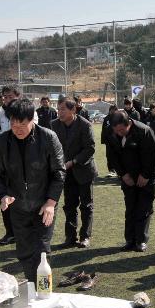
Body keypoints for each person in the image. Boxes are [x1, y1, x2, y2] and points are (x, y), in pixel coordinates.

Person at [0, 98, 65, 283]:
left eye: (22, 124)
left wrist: (50, 203)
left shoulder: (48, 138)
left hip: (43, 205)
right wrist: (3, 195)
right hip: (18, 207)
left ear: (32, 120)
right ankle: (34, 287)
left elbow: (59, 173)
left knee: (41, 251)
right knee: (24, 252)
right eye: (13, 124)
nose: (18, 128)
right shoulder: (3, 141)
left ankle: (43, 292)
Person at [0, 85, 38, 244]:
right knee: (5, 196)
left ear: (18, 96)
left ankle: (28, 232)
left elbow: (34, 131)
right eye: (5, 97)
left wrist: (16, 140)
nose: (7, 99)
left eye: (10, 96)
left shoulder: (29, 111)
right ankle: (10, 232)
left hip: (26, 160)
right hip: (5, 159)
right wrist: (5, 142)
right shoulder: (0, 112)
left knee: (26, 197)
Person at [106, 110, 155, 252]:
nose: (119, 133)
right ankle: (130, 240)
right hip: (127, 177)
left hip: (146, 176)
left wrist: (145, 175)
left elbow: (151, 156)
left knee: (143, 208)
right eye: (116, 131)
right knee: (130, 208)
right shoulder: (111, 133)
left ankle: (141, 240)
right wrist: (123, 175)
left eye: (122, 130)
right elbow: (112, 156)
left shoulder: (144, 131)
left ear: (128, 123)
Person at [51, 98, 96, 248]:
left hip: (83, 170)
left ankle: (85, 237)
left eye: (63, 109)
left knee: (86, 205)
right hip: (66, 172)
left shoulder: (85, 125)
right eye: (58, 109)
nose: (60, 112)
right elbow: (52, 148)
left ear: (73, 110)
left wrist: (73, 162)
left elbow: (89, 149)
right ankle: (70, 237)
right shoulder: (54, 125)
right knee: (69, 205)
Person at [101, 104, 119, 177]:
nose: (112, 111)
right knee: (109, 155)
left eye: (114, 110)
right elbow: (104, 130)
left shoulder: (118, 118)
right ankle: (111, 170)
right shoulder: (106, 119)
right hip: (109, 141)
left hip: (117, 141)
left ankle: (118, 170)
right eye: (111, 110)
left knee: (117, 155)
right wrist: (103, 140)